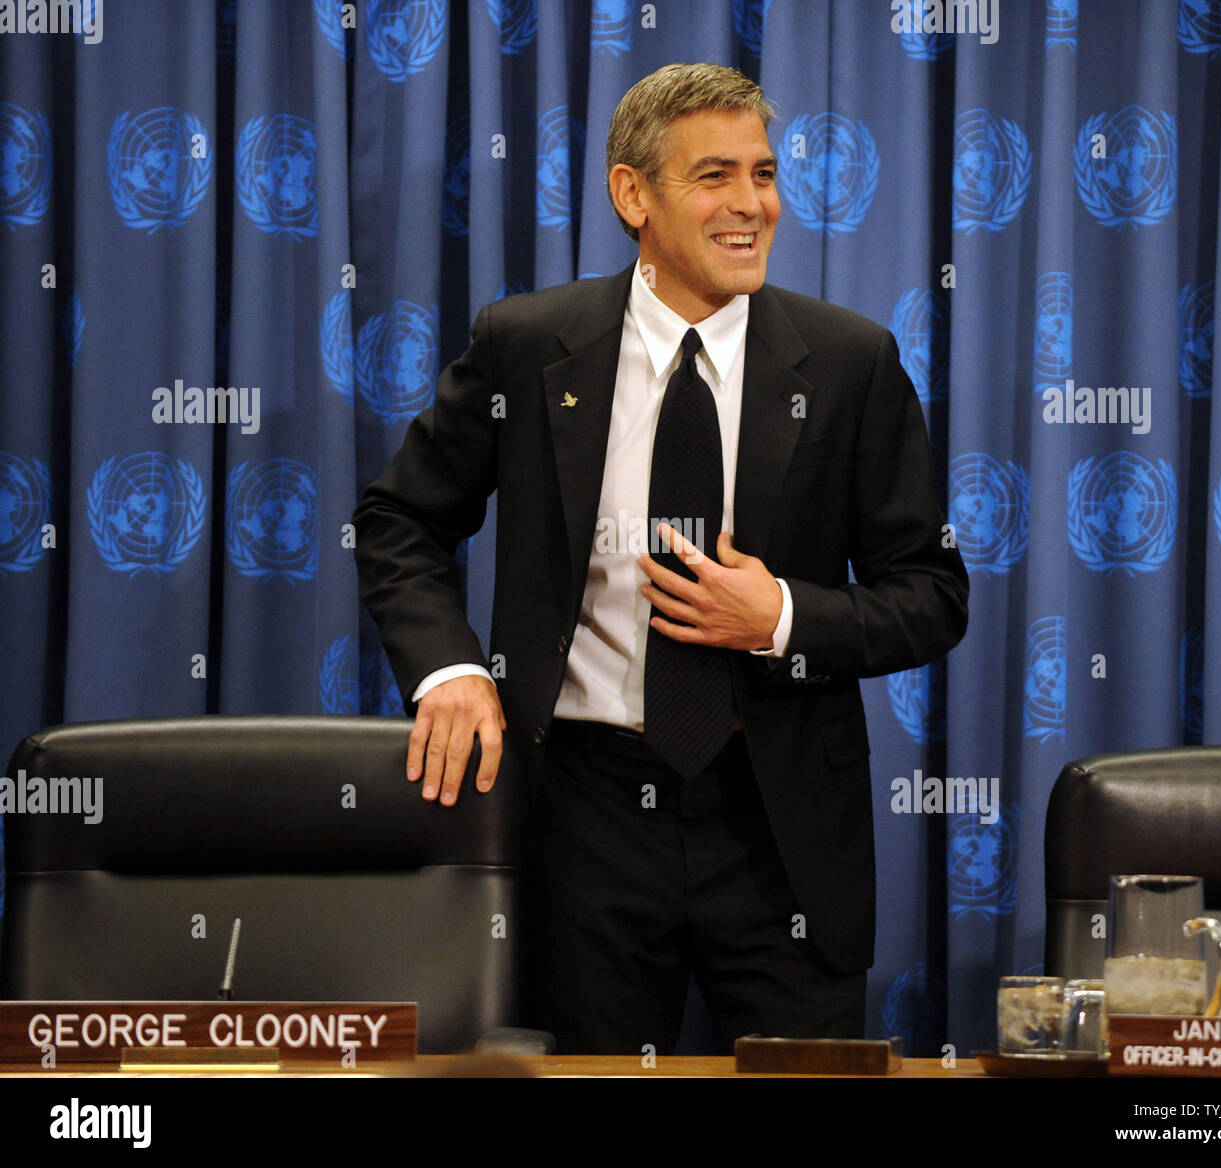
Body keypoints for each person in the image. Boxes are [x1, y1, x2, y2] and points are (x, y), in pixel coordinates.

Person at [352, 62, 968, 1055]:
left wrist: (778, 618)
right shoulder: (528, 345)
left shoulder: (851, 362)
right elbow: (397, 518)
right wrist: (451, 668)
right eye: (713, 176)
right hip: (583, 819)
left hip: (780, 829)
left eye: (763, 175)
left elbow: (933, 595)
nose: (750, 205)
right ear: (632, 194)